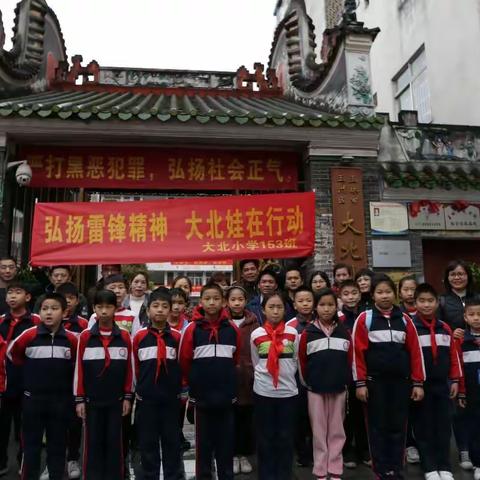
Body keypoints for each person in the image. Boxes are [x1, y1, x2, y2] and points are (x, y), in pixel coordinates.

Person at [352, 274, 425, 480]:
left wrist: (417, 382)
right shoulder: (365, 319)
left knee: (398, 426)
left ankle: (396, 468)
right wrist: (360, 383)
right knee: (377, 427)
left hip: (401, 384)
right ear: (373, 295)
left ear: (395, 294)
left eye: (388, 292)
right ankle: (381, 470)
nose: (385, 296)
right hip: (375, 385)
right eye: (380, 292)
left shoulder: (405, 319)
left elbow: (415, 353)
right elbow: (357, 354)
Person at [8, 292, 78, 480]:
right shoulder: (29, 336)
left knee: (57, 447)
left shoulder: (72, 340)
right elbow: (14, 355)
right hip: (33, 401)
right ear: (39, 312)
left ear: (65, 313)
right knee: (31, 448)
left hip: (61, 402)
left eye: (54, 309)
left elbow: (76, 366)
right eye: (45, 309)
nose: (49, 313)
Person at [179, 283, 241, 480]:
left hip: (226, 396)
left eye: (216, 298)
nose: (212, 302)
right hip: (201, 398)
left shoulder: (232, 329)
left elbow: (236, 359)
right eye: (207, 298)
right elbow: (185, 361)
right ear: (201, 302)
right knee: (203, 444)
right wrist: (193, 385)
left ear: (223, 302)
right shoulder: (192, 330)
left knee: (225, 443)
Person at [74, 290, 133, 480]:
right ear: (94, 309)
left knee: (115, 442)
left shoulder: (124, 337)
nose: (104, 311)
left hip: (116, 401)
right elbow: (79, 370)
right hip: (92, 401)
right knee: (92, 443)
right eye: (100, 307)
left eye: (108, 307)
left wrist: (127, 396)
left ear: (115, 309)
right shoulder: (84, 337)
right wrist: (80, 399)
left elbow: (129, 370)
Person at [298, 288, 352, 480]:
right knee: (319, 432)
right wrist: (309, 383)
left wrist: (345, 381)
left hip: (339, 389)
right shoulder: (307, 333)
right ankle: (321, 471)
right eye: (322, 305)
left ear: (336, 306)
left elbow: (350, 360)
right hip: (315, 390)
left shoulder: (344, 332)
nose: (326, 309)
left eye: (330, 305)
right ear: (315, 307)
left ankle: (335, 469)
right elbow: (302, 362)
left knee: (337, 430)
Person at [410, 283, 461, 480]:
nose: (426, 305)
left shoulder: (445, 327)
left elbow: (454, 356)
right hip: (421, 386)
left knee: (443, 427)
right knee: (424, 427)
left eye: (430, 301)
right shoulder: (411, 327)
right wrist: (415, 383)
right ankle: (430, 466)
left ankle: (444, 466)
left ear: (437, 303)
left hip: (442, 385)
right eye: (421, 301)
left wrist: (455, 380)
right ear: (415, 303)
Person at [38, 282, 88, 480]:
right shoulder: (43, 324)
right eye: (63, 297)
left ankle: (73, 459)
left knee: (74, 425)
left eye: (71, 298)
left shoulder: (83, 325)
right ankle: (52, 464)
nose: (67, 301)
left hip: (73, 385)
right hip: (50, 386)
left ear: (76, 300)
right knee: (52, 429)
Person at [132, 288, 183, 480]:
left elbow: (181, 365)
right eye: (155, 306)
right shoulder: (139, 337)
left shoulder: (177, 337)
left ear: (170, 310)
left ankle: (173, 476)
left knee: (172, 443)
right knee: (148, 444)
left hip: (170, 399)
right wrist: (138, 391)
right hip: (147, 400)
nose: (160, 310)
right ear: (148, 310)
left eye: (164, 306)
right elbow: (135, 366)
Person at [250, 292, 299, 480]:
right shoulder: (257, 334)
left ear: (285, 310)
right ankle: (267, 475)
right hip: (263, 392)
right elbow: (256, 362)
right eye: (271, 307)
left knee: (286, 437)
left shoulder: (293, 333)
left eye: (279, 307)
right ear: (263, 309)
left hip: (288, 393)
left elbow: (295, 362)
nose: (276, 311)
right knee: (265, 437)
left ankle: (284, 474)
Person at [438, 260, 476, 470]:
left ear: (468, 276)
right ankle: (464, 450)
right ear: (447, 278)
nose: (457, 277)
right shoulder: (442, 301)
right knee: (460, 406)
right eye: (453, 274)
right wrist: (451, 333)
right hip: (455, 358)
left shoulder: (477, 298)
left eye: (461, 273)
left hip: (476, 356)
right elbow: (437, 328)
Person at [0, 282, 40, 475]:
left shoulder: (36, 321)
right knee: (2, 427)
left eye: (18, 292)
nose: (13, 296)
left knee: (26, 429)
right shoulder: (1, 321)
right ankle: (1, 463)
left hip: (28, 382)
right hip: (4, 383)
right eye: (10, 293)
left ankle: (24, 463)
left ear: (28, 297)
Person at [225, 286, 259, 475]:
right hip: (227, 378)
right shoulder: (223, 322)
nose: (237, 303)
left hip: (248, 379)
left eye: (240, 299)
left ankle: (243, 454)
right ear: (227, 302)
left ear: (246, 301)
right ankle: (231, 454)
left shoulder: (253, 323)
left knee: (245, 418)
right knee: (229, 419)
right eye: (233, 299)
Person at [337, 280, 369, 468]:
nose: (350, 297)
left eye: (354, 293)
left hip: (364, 371)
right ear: (340, 296)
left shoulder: (367, 316)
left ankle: (364, 450)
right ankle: (347, 450)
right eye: (346, 293)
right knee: (347, 415)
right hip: (346, 371)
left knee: (362, 412)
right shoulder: (339, 319)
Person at [286, 286, 315, 468]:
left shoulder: (321, 322)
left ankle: (315, 452)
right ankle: (302, 453)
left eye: (309, 300)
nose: (305, 304)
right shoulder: (290, 327)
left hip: (317, 376)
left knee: (316, 418)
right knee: (299, 417)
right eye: (301, 301)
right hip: (296, 378)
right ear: (295, 304)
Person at [397, 275, 420, 465]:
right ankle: (409, 444)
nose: (410, 293)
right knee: (407, 408)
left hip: (426, 366)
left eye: (413, 289)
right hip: (404, 368)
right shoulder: (398, 315)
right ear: (400, 292)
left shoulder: (427, 311)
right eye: (406, 289)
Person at [458, 296, 480, 480]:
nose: (476, 318)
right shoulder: (461, 341)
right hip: (472, 393)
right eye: (472, 314)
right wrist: (462, 392)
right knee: (474, 427)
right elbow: (458, 369)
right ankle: (478, 463)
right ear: (465, 317)